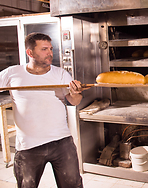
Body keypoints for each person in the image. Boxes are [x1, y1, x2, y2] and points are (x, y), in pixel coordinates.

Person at [0, 32, 88, 188]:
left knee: (73, 185)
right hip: (28, 146)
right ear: (30, 52)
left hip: (61, 142)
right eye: (44, 49)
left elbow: (73, 101)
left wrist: (76, 93)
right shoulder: (12, 73)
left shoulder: (60, 74)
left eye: (51, 48)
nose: (50, 53)